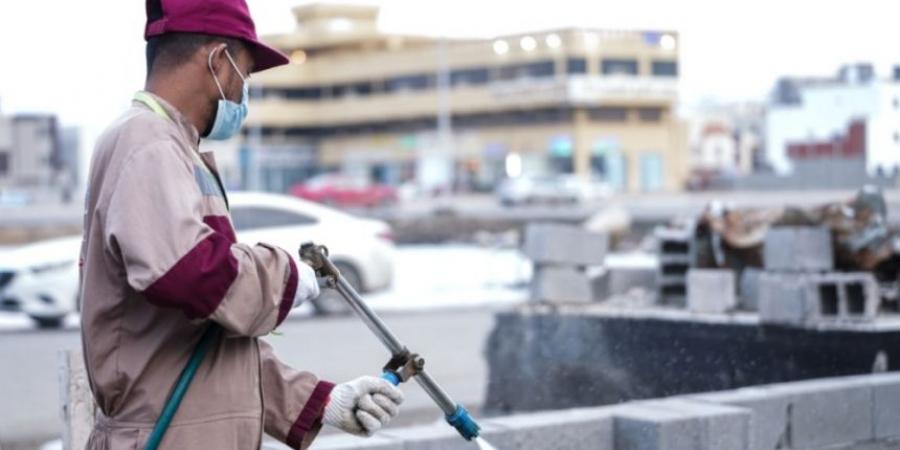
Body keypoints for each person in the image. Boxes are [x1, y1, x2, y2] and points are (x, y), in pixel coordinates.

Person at [79, 0, 403, 448]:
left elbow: (207, 344)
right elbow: (195, 275)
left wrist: (321, 402)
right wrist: (288, 274)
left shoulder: (172, 147)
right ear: (216, 60)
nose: (242, 92)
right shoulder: (147, 142)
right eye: (244, 74)